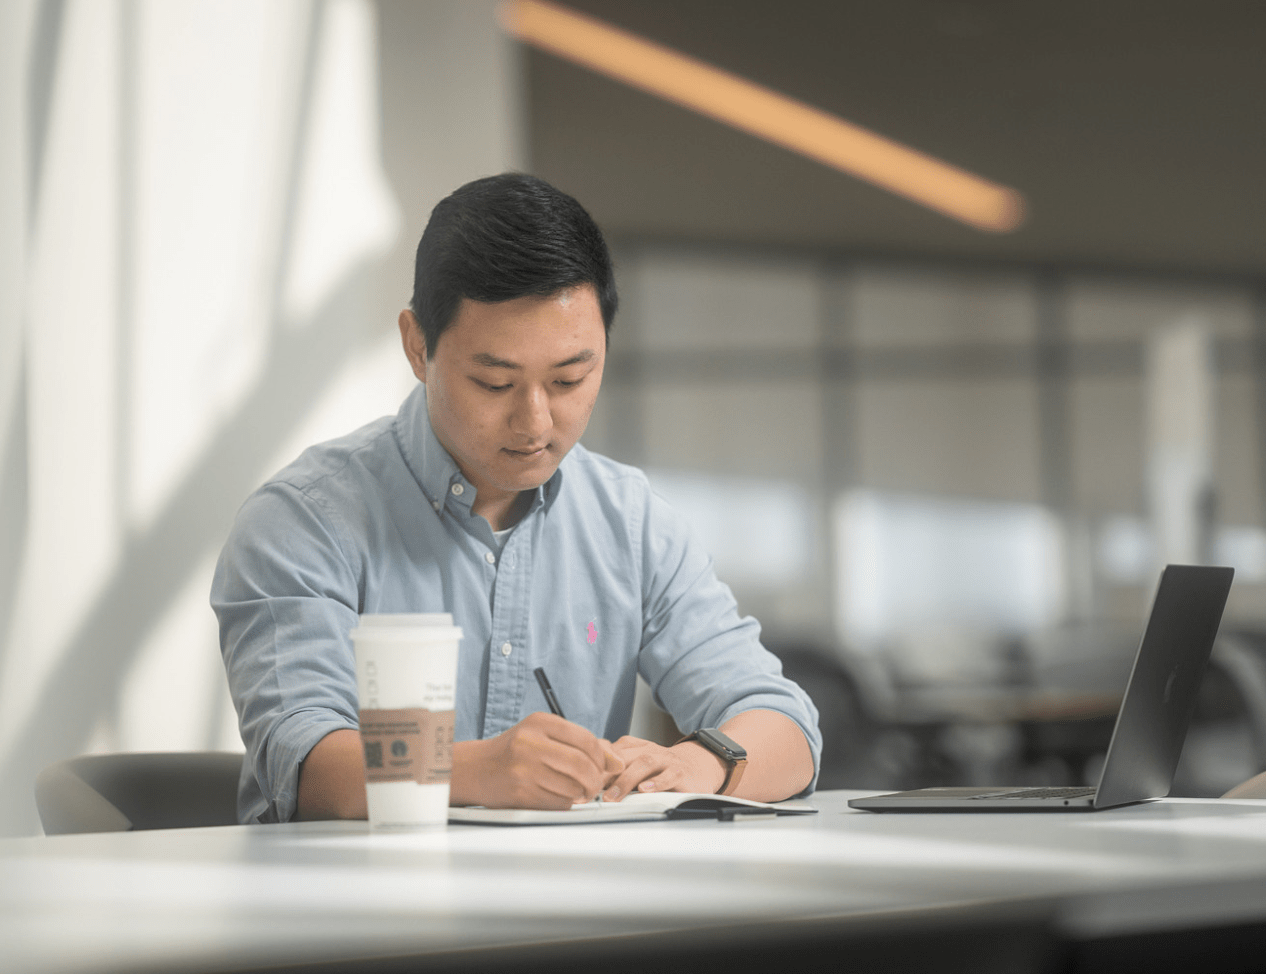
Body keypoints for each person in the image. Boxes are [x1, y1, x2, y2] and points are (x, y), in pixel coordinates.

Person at [213, 173, 819, 823]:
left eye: (569, 378)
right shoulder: (304, 522)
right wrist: (475, 769)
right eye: (495, 382)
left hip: (569, 914)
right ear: (418, 346)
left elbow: (788, 728)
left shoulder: (632, 524)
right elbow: (302, 767)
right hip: (355, 914)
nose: (534, 423)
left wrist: (701, 764)